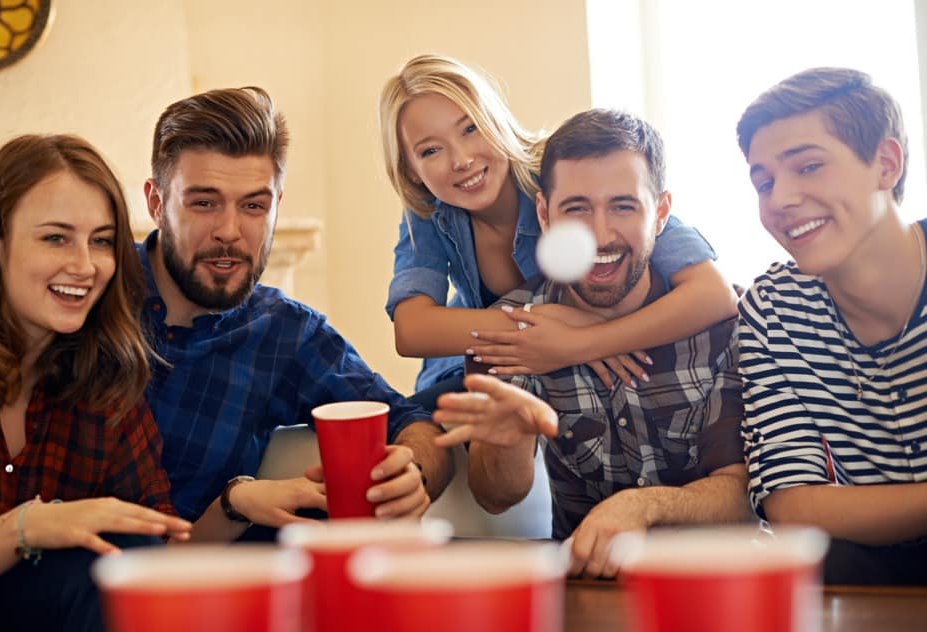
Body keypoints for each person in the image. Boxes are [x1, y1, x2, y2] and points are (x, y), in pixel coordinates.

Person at [0, 134, 191, 632]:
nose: (84, 266)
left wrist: (242, 502)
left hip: (23, 629)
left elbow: (156, 541)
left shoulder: (107, 377)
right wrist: (26, 528)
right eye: (56, 238)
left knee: (122, 554)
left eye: (102, 241)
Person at [433, 109, 752, 578]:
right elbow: (495, 496)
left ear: (661, 213)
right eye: (576, 208)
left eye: (623, 206)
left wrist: (643, 507)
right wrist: (509, 442)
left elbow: (745, 496)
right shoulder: (508, 331)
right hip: (588, 590)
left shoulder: (723, 324)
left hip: (717, 584)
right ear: (544, 214)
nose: (599, 235)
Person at [133, 86, 451, 541]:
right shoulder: (91, 291)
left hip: (195, 591)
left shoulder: (285, 333)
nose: (229, 231)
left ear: (276, 206)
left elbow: (410, 423)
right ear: (156, 202)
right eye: (204, 202)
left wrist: (412, 476)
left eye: (253, 206)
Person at [379, 54, 739, 408]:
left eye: (471, 128)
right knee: (411, 426)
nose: (461, 160)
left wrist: (585, 340)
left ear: (497, 120)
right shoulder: (428, 212)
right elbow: (411, 330)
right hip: (482, 362)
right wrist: (554, 323)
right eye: (430, 150)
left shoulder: (562, 175)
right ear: (411, 170)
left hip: (593, 362)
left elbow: (714, 294)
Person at [736, 67, 927, 585]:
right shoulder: (772, 310)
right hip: (871, 573)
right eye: (764, 182)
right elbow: (793, 506)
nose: (779, 200)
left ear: (886, 164)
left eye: (810, 166)